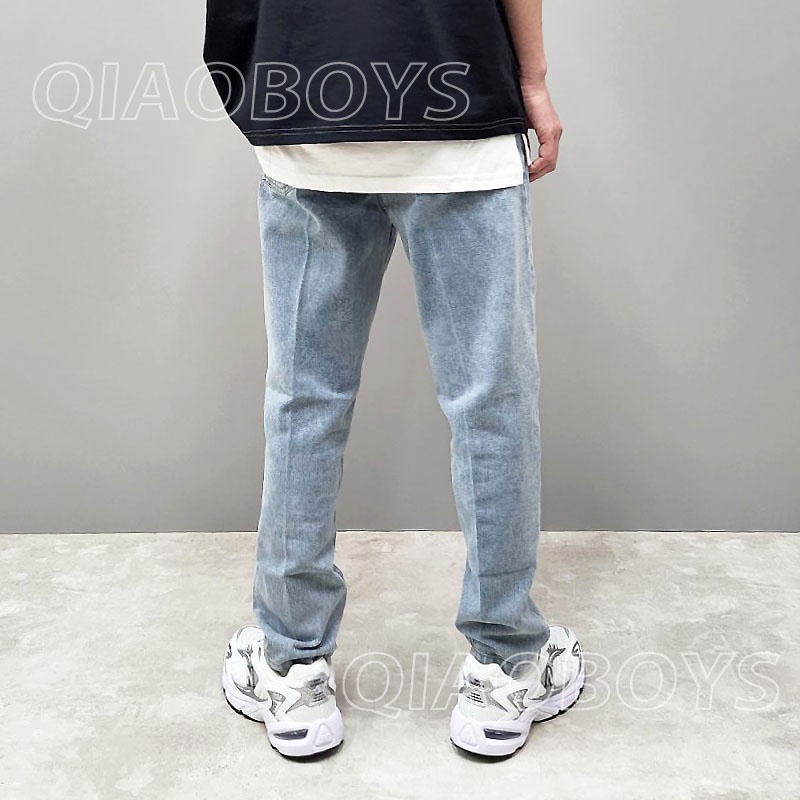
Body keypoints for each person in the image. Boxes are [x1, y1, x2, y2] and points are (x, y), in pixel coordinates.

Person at [204, 0, 584, 759]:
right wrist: (533, 81)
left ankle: (291, 666)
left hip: (310, 108)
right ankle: (506, 667)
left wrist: (265, 91)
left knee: (305, 399)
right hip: (462, 113)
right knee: (492, 402)